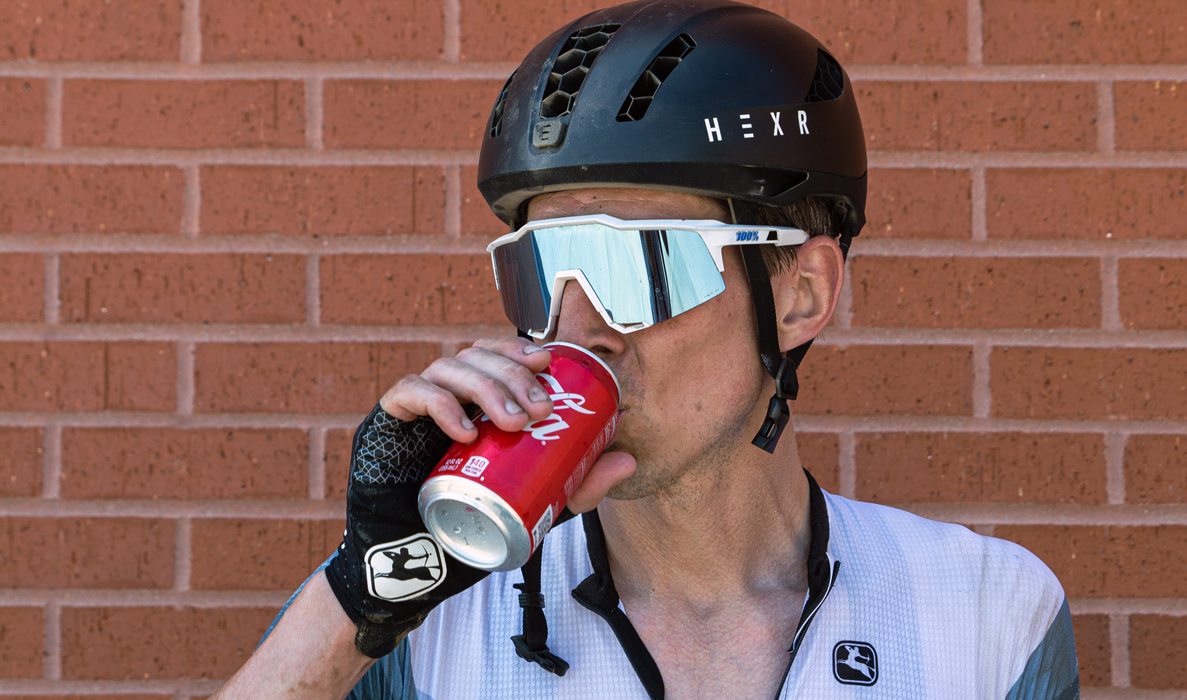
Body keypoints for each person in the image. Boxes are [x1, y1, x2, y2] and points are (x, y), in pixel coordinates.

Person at [213, 1, 1080, 698]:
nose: (577, 327)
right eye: (541, 270)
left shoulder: (986, 611)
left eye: (638, 263)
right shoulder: (427, 617)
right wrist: (368, 592)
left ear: (801, 293)